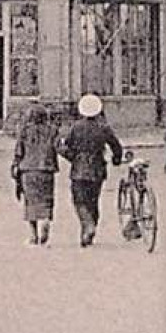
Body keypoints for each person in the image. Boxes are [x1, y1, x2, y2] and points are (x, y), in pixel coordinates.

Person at [58, 93, 125, 247]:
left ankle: (87, 226)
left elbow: (67, 145)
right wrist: (116, 159)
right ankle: (88, 232)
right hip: (97, 169)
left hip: (79, 169)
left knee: (79, 201)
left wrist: (70, 156)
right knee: (93, 202)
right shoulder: (103, 127)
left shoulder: (76, 127)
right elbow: (116, 146)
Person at [11, 102, 60, 246]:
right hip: (46, 169)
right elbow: (58, 147)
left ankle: (33, 235)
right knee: (46, 199)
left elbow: (19, 151)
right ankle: (45, 220)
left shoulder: (24, 131)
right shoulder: (52, 130)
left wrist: (15, 165)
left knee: (30, 202)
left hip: (28, 169)